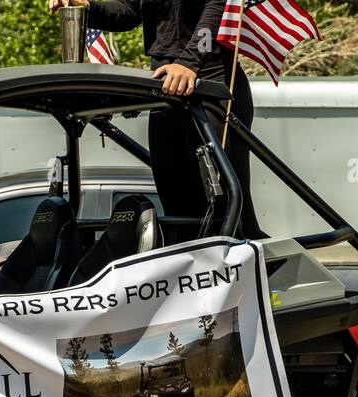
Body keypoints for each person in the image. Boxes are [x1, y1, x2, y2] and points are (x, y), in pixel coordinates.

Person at [47, 0, 263, 238]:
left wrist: (188, 63)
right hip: (164, 86)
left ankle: (247, 263)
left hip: (213, 82)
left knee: (224, 207)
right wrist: (88, 6)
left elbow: (218, 4)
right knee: (177, 208)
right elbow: (128, 11)